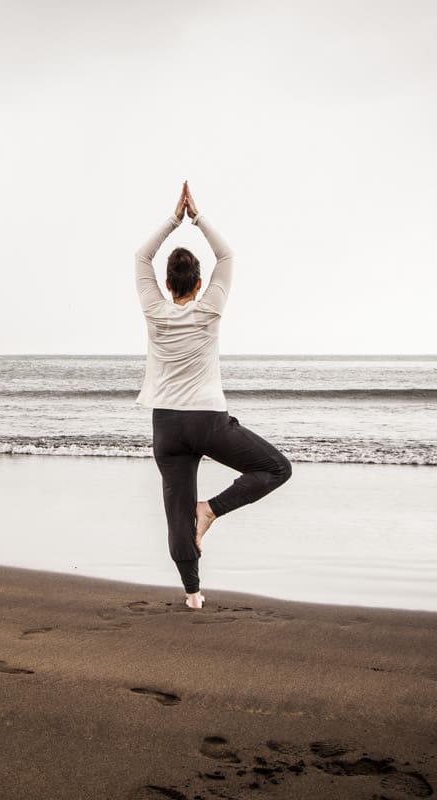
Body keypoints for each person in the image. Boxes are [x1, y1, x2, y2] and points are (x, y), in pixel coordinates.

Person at [134, 180, 293, 610]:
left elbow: (140, 256)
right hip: (207, 420)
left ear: (166, 284)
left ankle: (192, 593)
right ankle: (213, 510)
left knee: (175, 512)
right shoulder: (210, 307)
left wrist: (173, 219)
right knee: (277, 469)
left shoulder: (154, 309)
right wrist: (197, 217)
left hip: (167, 425)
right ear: (200, 282)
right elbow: (227, 254)